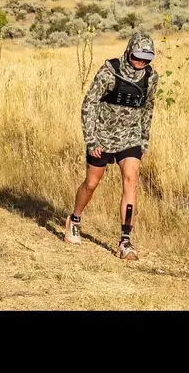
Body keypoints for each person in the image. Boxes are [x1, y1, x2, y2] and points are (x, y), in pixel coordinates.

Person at [65, 32, 158, 261]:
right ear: (129, 51)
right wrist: (91, 139)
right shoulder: (109, 71)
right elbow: (89, 104)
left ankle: (125, 241)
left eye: (147, 58)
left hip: (131, 137)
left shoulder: (151, 77)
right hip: (103, 137)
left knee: (131, 180)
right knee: (92, 182)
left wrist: (144, 139)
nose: (141, 62)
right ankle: (75, 219)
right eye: (138, 56)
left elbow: (148, 108)